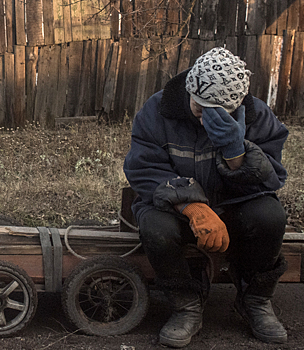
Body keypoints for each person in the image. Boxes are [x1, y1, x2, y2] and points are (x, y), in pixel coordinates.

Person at [123, 47, 289, 348]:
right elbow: (142, 168)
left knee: (270, 216)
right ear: (190, 92)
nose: (205, 122)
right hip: (175, 207)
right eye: (200, 110)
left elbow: (272, 179)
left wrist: (237, 152)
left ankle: (255, 300)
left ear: (237, 105)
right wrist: (193, 206)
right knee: (155, 228)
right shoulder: (158, 109)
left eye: (219, 114)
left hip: (234, 204)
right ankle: (186, 306)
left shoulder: (257, 115)